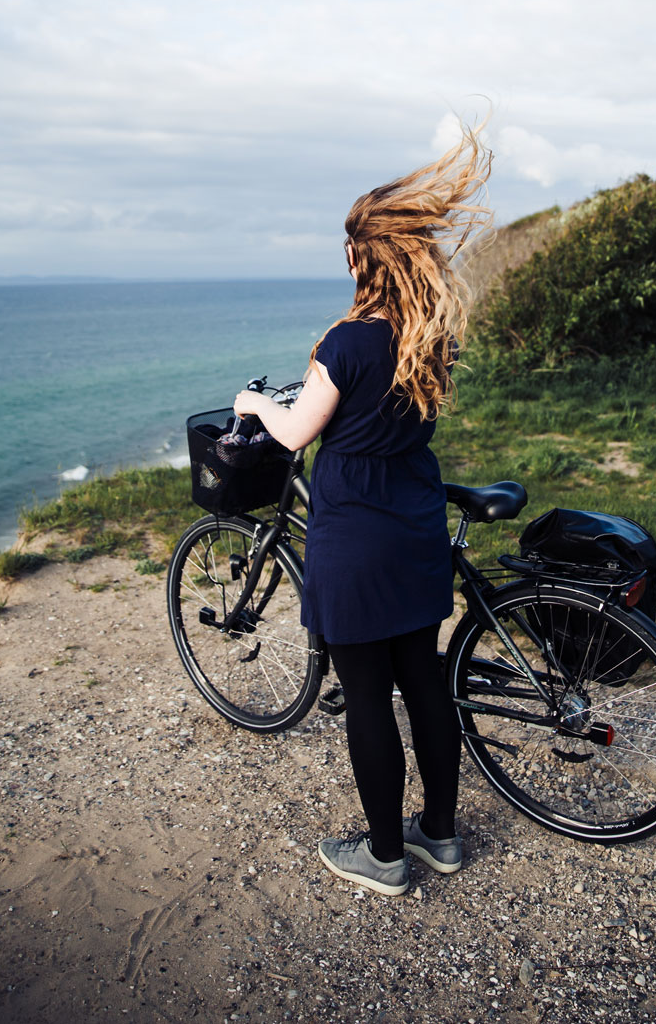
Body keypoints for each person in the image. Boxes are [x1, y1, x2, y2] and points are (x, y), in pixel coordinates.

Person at [234, 122, 492, 897]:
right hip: (415, 531)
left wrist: (253, 401)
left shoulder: (346, 343)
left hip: (354, 539)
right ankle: (439, 835)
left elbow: (295, 431)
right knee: (424, 682)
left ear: (361, 256)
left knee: (368, 698)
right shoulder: (428, 336)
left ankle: (384, 855)